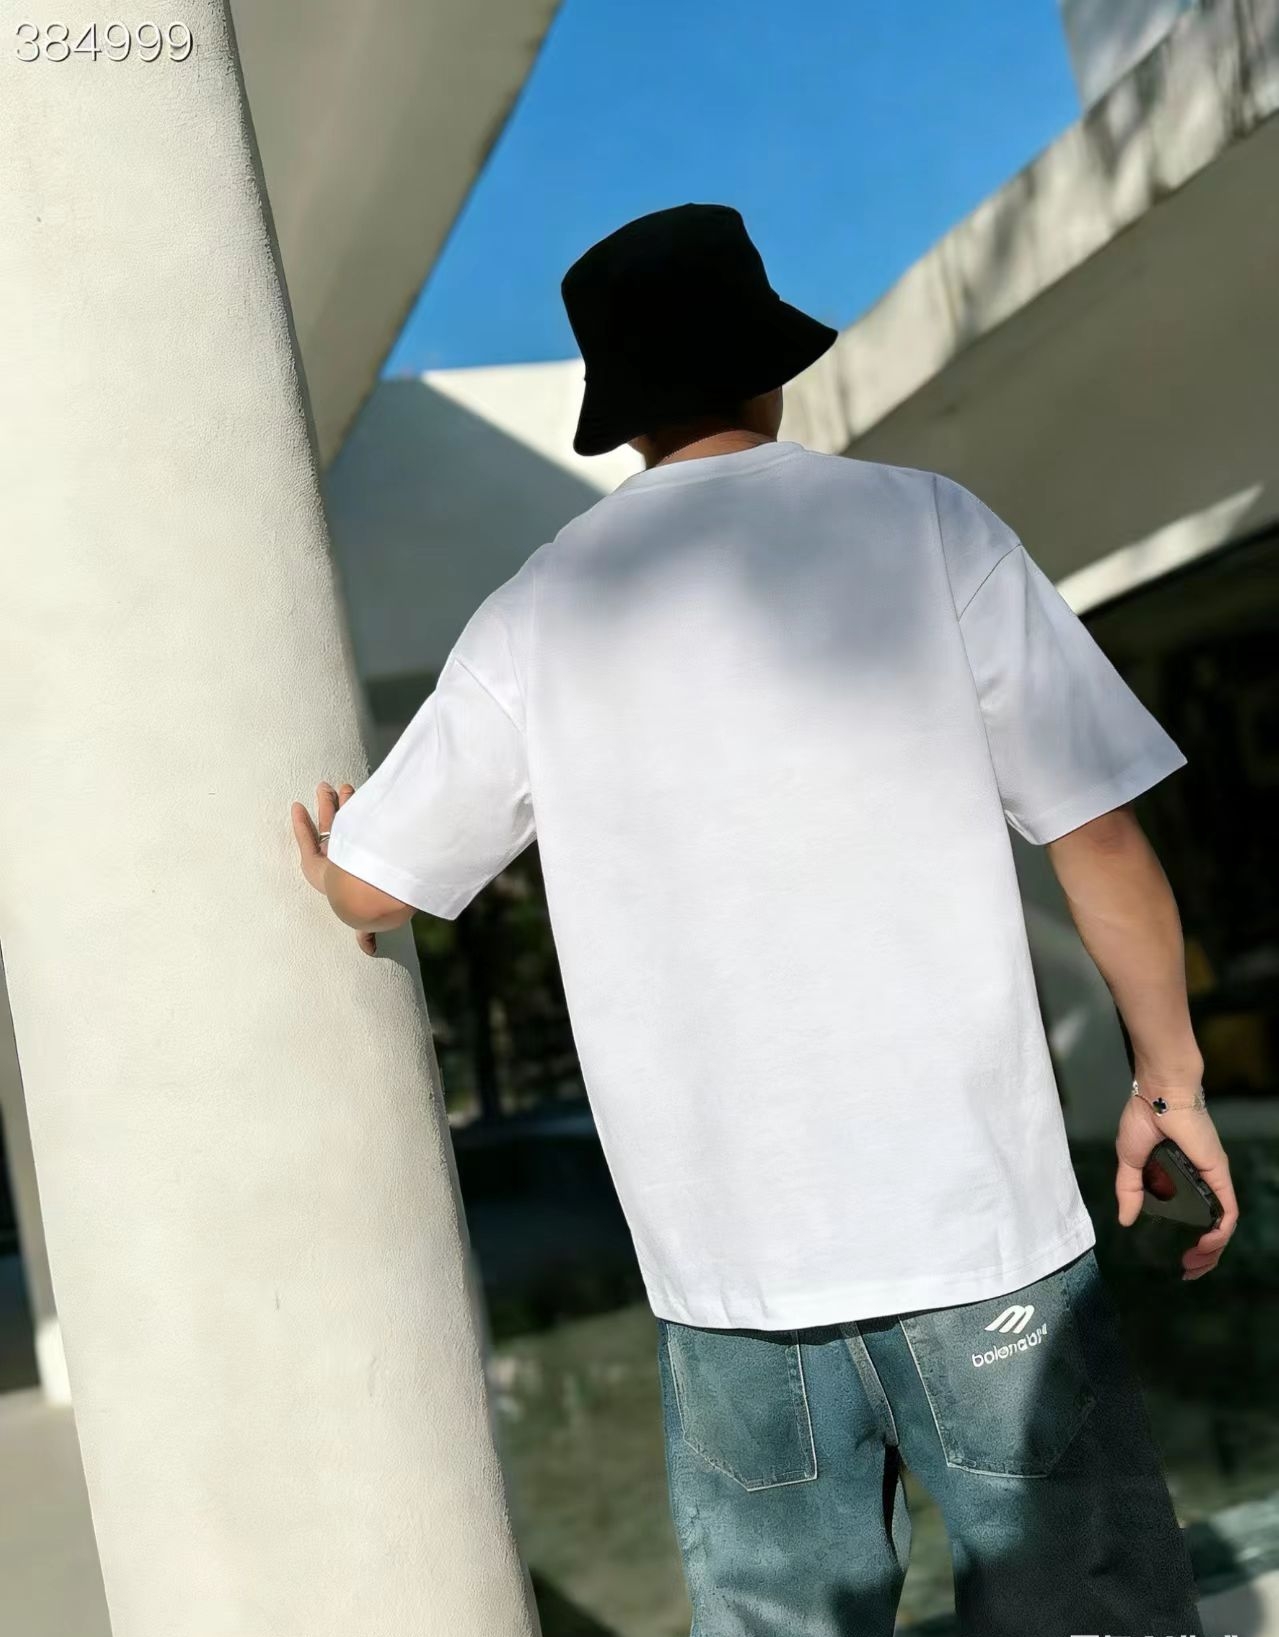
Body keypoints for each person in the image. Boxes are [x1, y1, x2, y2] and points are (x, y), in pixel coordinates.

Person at [291, 203, 1238, 1634]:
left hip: (727, 1276)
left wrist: (333, 862)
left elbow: (379, 887)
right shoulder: (929, 526)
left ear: (623, 416)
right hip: (982, 1234)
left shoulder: (543, 610)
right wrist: (1168, 1075)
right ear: (768, 369)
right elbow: (1097, 828)